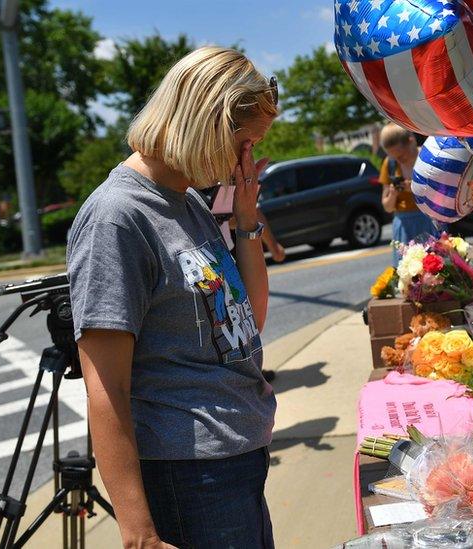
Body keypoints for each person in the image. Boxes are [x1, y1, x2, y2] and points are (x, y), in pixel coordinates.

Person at [66, 47, 278, 549]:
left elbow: (250, 322)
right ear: (208, 122)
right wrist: (139, 534)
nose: (244, 159)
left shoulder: (188, 202)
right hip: (192, 477)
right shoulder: (117, 218)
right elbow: (106, 388)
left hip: (234, 460)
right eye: (243, 143)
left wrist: (246, 220)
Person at [379, 123, 440, 266]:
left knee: (434, 270)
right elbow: (387, 207)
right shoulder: (390, 164)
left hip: (428, 221)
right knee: (407, 274)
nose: (398, 160)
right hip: (403, 225)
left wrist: (414, 188)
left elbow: (442, 196)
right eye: (393, 157)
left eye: (401, 155)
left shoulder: (428, 157)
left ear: (411, 140)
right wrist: (393, 194)